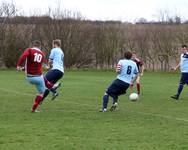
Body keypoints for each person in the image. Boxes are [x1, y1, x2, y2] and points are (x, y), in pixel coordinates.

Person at [16, 40, 46, 112]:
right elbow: (39, 65)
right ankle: (33, 109)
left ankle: (51, 85)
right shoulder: (42, 54)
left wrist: (18, 65)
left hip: (30, 77)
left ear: (33, 45)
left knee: (30, 70)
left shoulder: (29, 50)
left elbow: (23, 56)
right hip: (39, 77)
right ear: (40, 46)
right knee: (41, 92)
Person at [40, 39, 64, 104]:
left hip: (55, 70)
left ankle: (55, 89)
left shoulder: (54, 50)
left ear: (55, 44)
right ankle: (41, 100)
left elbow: (50, 60)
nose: (52, 46)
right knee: (48, 86)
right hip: (61, 72)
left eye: (53, 44)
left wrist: (48, 66)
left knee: (43, 80)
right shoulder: (61, 51)